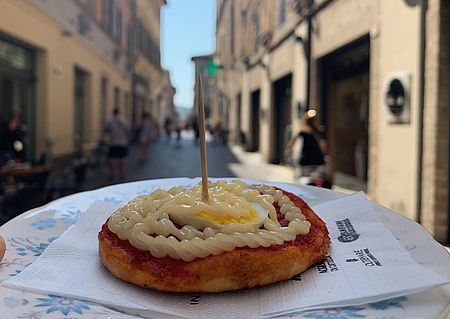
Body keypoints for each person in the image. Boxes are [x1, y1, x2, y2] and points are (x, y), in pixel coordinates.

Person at [284, 109, 327, 180]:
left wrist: (289, 149)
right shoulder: (309, 131)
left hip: (312, 159)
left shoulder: (315, 131)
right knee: (310, 179)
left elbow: (293, 140)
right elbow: (323, 144)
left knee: (306, 180)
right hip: (312, 158)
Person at [103, 108, 129, 181]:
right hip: (122, 143)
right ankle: (122, 174)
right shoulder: (124, 120)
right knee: (122, 159)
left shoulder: (109, 121)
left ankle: (112, 174)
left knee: (112, 159)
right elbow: (127, 130)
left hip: (113, 143)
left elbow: (105, 130)